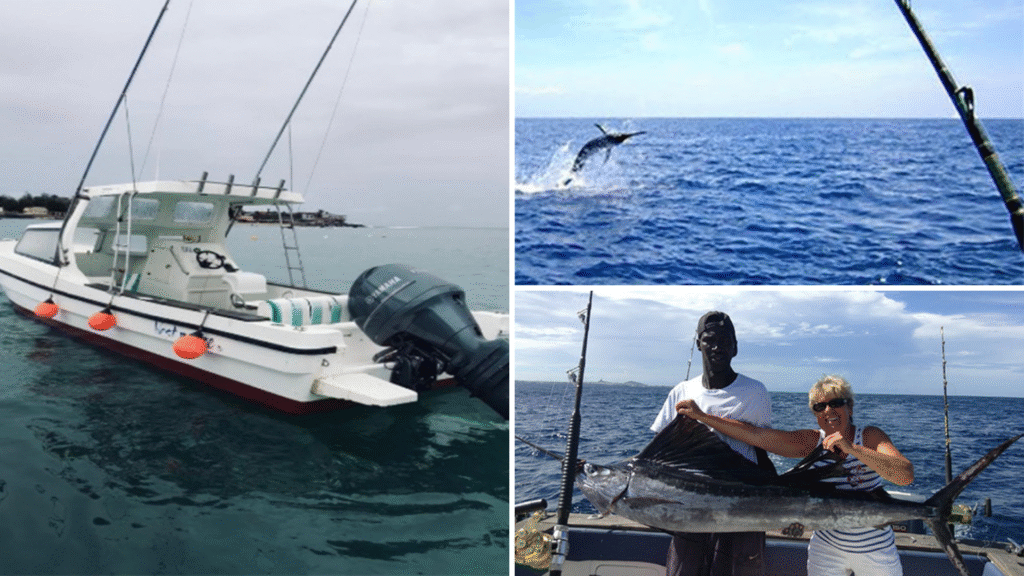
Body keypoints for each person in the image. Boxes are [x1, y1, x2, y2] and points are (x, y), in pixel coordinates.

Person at [676, 375, 914, 576]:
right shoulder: (813, 442)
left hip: (876, 551)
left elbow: (905, 476)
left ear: (849, 407)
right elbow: (758, 436)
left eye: (836, 403)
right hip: (827, 550)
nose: (828, 410)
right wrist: (703, 417)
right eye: (820, 407)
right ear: (816, 415)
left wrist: (853, 449)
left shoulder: (870, 436)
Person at [651, 311, 771, 576]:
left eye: (726, 340)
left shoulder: (755, 392)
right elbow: (658, 457)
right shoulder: (680, 392)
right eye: (710, 339)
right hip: (689, 511)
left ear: (735, 347)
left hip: (741, 512)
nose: (718, 347)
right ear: (698, 343)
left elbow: (762, 452)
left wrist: (783, 507)